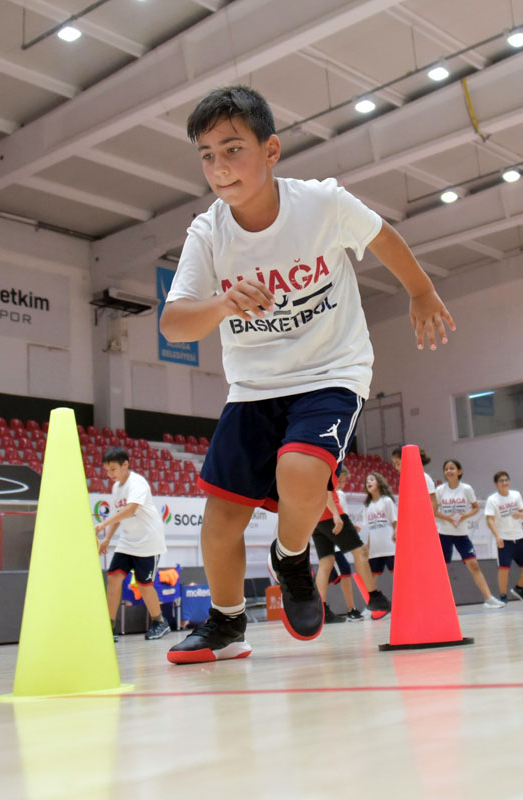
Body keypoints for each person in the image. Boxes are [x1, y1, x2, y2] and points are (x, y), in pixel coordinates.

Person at [161, 86, 453, 663]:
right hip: (254, 385)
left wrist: (421, 290)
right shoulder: (208, 233)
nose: (219, 168)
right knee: (221, 515)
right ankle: (225, 624)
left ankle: (291, 555)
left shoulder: (321, 204)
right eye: (206, 155)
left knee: (300, 470)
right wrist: (221, 305)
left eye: (232, 149)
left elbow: (382, 238)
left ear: (270, 151)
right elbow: (173, 323)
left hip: (332, 368)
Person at [94, 447, 170, 641]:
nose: (110, 474)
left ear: (125, 465)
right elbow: (117, 516)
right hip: (127, 542)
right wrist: (107, 539)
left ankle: (159, 622)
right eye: (107, 470)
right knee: (113, 578)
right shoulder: (116, 487)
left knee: (145, 585)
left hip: (148, 541)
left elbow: (130, 509)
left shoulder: (138, 483)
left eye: (113, 469)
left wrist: (102, 524)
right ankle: (109, 628)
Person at [313, 473, 390, 621]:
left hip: (315, 517)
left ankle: (321, 611)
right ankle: (375, 599)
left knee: (326, 562)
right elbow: (325, 488)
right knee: (360, 551)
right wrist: (335, 514)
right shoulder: (330, 457)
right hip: (330, 512)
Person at [434, 459, 504, 608]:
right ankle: (437, 602)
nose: (449, 471)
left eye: (452, 468)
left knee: (473, 565)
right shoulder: (440, 490)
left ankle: (489, 598)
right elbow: (433, 511)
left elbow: (475, 508)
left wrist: (462, 516)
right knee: (440, 569)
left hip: (462, 534)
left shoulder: (466, 489)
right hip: (444, 534)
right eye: (446, 469)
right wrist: (449, 518)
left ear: (459, 471)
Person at [485, 471, 523, 603]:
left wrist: (520, 515)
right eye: (501, 480)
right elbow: (490, 520)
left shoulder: (516, 495)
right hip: (504, 538)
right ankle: (503, 596)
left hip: (519, 536)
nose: (504, 483)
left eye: (506, 480)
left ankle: (519, 588)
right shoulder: (492, 500)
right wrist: (497, 536)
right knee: (504, 568)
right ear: (496, 484)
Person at [361, 472, 397, 603]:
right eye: (367, 481)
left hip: (390, 546)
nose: (368, 482)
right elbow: (369, 529)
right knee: (370, 577)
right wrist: (367, 546)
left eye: (372, 479)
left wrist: (396, 532)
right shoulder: (367, 505)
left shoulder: (386, 501)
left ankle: (403, 601)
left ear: (379, 482)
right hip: (375, 549)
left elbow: (395, 521)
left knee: (398, 574)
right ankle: (372, 603)